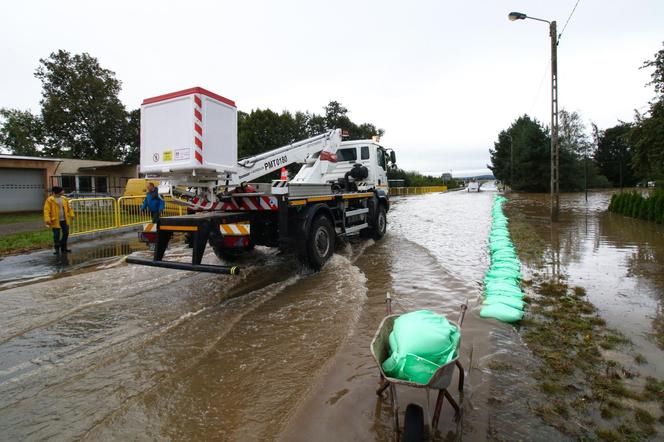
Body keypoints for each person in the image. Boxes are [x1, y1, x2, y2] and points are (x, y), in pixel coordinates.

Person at [43, 186, 75, 254]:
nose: (63, 191)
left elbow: (69, 207)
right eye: (62, 190)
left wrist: (72, 214)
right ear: (57, 191)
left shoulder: (64, 198)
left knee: (66, 233)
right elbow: (46, 210)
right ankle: (57, 248)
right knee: (56, 235)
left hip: (65, 220)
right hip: (55, 220)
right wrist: (47, 219)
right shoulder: (50, 200)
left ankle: (64, 247)